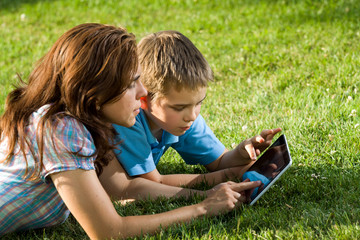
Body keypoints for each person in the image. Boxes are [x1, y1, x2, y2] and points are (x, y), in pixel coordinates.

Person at [0, 23, 261, 239]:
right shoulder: (62, 129)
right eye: (131, 84)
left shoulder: (85, 127)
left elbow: (121, 189)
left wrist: (230, 170)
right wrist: (203, 207)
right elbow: (109, 231)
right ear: (96, 91)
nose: (143, 93)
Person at [112, 30, 281, 187]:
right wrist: (229, 175)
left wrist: (240, 153)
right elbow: (152, 182)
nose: (192, 116)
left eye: (199, 103)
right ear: (143, 99)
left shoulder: (184, 121)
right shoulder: (127, 120)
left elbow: (219, 161)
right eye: (179, 107)